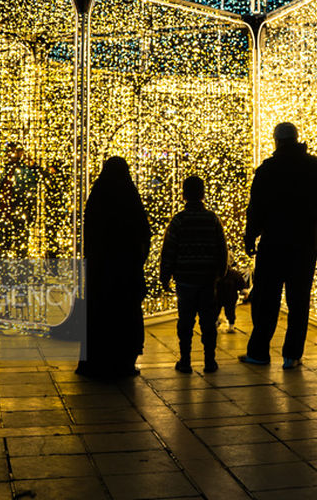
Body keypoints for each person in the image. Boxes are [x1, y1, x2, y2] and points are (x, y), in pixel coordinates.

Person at [240, 122, 317, 369]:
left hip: (273, 244)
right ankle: (292, 355)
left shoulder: (268, 169)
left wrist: (251, 237)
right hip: (304, 245)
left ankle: (259, 352)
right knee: (299, 301)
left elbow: (256, 208)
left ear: (277, 141)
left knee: (266, 300)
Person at [77, 156, 151, 379]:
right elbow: (143, 233)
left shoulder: (97, 196)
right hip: (125, 270)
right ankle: (123, 362)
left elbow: (89, 234)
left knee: (99, 315)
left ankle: (96, 362)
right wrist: (137, 260)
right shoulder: (130, 197)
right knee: (124, 316)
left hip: (100, 271)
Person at [160, 175, 227, 373]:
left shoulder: (179, 220)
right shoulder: (212, 219)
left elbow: (169, 249)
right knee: (208, 321)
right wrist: (220, 273)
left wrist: (165, 275)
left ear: (184, 194)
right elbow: (222, 248)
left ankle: (185, 361)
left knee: (185, 321)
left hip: (185, 279)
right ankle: (210, 361)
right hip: (207, 279)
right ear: (203, 194)